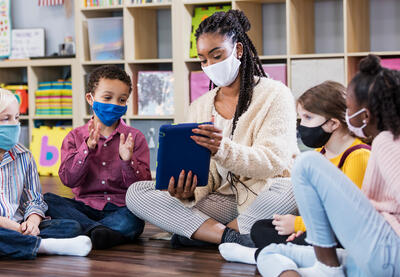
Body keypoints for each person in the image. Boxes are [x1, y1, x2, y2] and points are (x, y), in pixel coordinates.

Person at [125, 9, 299, 248]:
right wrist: (186, 191)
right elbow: (207, 179)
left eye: (217, 56)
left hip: (265, 195)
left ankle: (200, 232)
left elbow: (273, 162)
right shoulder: (199, 106)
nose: (210, 65)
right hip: (221, 199)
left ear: (238, 50)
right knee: (136, 193)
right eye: (204, 59)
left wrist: (222, 149)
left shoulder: (275, 94)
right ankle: (231, 238)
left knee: (291, 188)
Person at [228, 55, 400, 277]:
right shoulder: (385, 141)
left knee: (306, 163)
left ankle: (326, 269)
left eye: (349, 108)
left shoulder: (386, 141)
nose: (347, 115)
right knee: (271, 251)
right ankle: (259, 256)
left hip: (386, 249)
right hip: (376, 252)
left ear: (365, 115)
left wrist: (301, 225)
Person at [247, 81, 371, 251]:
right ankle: (291, 251)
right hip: (321, 226)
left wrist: (299, 225)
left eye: (308, 117)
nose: (301, 125)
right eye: (301, 117)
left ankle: (281, 252)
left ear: (333, 123)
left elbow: (349, 217)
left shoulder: (358, 156)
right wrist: (305, 227)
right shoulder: (321, 152)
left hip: (347, 232)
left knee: (315, 238)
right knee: (260, 228)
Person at [44, 65, 152, 249]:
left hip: (120, 208)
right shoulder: (75, 137)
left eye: (122, 99)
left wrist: (128, 161)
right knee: (47, 200)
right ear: (90, 98)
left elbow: (142, 187)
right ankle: (101, 233)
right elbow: (68, 179)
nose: (114, 104)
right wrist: (86, 149)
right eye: (107, 97)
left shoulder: (135, 138)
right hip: (83, 208)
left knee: (134, 219)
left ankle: (83, 231)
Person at [0, 89, 92, 259]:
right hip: (8, 227)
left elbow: (34, 199)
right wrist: (17, 229)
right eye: (6, 119)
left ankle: (17, 244)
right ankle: (44, 246)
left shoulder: (24, 156)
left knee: (72, 227)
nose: (15, 124)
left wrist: (32, 222)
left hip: (21, 225)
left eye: (17, 118)